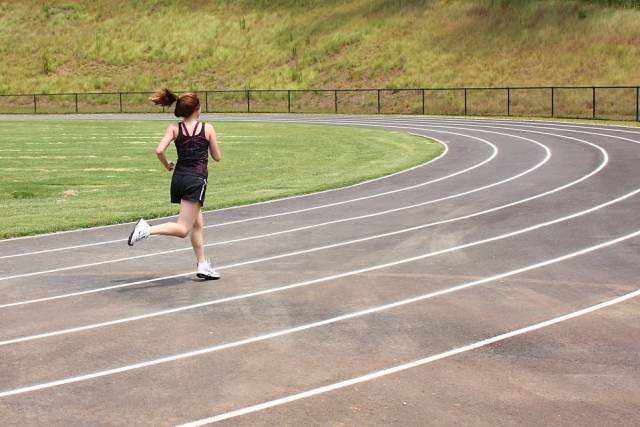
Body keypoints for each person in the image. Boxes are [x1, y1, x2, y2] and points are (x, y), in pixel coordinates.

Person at [127, 88, 222, 280]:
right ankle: (145, 230)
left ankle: (202, 264)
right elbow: (217, 157)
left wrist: (167, 164)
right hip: (196, 180)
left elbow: (159, 150)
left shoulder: (174, 128)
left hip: (179, 178)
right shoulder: (207, 128)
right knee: (183, 229)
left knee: (197, 223)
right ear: (197, 110)